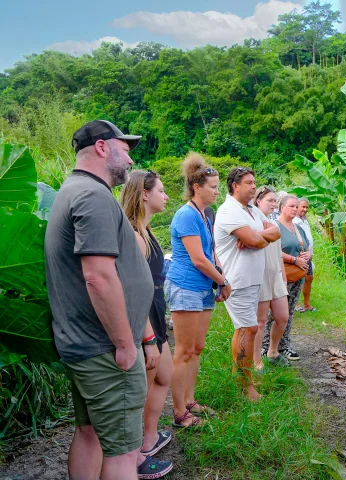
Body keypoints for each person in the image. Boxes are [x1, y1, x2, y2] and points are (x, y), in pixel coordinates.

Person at [44, 120, 172, 480]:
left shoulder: (74, 190)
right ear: (102, 148)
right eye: (125, 151)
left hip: (86, 344)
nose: (130, 161)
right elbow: (98, 277)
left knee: (89, 434)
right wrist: (124, 345)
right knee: (123, 451)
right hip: (105, 349)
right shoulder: (93, 196)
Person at [166, 153, 231, 427]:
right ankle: (179, 412)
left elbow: (211, 252)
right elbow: (198, 259)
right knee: (182, 350)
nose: (217, 192)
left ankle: (190, 400)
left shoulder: (206, 214)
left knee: (197, 347)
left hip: (204, 288)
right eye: (213, 187)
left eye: (218, 187)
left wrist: (220, 277)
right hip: (186, 287)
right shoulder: (186, 215)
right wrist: (223, 281)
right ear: (197, 188)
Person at [120, 170, 174, 460]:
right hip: (145, 319)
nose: (166, 196)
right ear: (144, 194)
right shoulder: (134, 236)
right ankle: (135, 452)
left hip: (155, 310)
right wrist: (148, 338)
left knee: (165, 375)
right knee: (145, 385)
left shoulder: (147, 230)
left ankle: (150, 437)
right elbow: (131, 293)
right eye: (162, 191)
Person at [214, 167, 281, 401]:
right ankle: (245, 387)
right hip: (237, 280)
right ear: (235, 186)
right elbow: (257, 238)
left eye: (254, 182)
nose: (254, 186)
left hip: (253, 278)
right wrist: (255, 238)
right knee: (247, 329)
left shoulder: (252, 209)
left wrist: (255, 239)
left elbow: (276, 231)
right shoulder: (228, 211)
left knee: (246, 328)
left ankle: (239, 378)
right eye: (249, 183)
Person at [261, 195, 310, 362]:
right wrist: (294, 259)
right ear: (282, 207)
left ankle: (284, 344)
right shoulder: (275, 226)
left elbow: (307, 248)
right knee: (272, 313)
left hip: (298, 276)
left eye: (297, 206)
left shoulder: (298, 228)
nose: (295, 209)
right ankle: (265, 345)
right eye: (291, 206)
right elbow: (272, 249)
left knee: (288, 312)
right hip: (280, 274)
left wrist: (306, 255)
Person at [252, 186, 290, 369]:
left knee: (283, 317)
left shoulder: (273, 223)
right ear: (258, 201)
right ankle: (256, 361)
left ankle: (272, 352)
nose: (274, 204)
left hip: (276, 275)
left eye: (275, 201)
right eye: (270, 200)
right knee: (260, 321)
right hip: (260, 276)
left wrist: (283, 277)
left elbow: (278, 254)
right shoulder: (252, 221)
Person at [294, 197, 316, 313]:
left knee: (309, 278)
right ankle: (295, 303)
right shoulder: (294, 221)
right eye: (303, 207)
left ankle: (307, 304)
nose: (305, 209)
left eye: (307, 207)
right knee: (297, 279)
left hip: (308, 255)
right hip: (299, 255)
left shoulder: (304, 220)